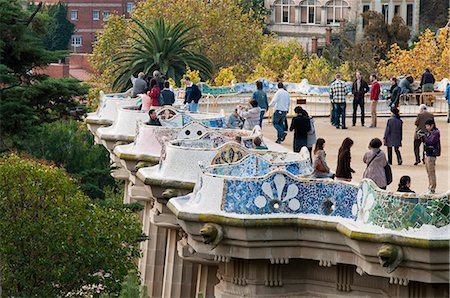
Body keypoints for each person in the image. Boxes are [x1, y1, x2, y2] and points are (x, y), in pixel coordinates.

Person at [422, 118, 441, 194]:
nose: (426, 127)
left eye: (427, 126)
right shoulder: (430, 132)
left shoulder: (435, 133)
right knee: (428, 171)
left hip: (432, 154)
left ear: (432, 125)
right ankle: (430, 186)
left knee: (431, 171)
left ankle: (432, 188)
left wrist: (424, 137)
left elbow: (430, 141)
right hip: (428, 153)